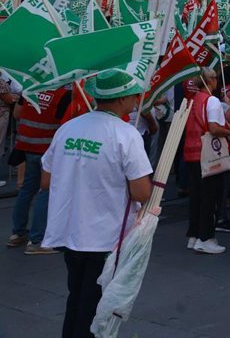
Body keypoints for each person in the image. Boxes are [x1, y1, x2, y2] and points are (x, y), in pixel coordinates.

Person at [40, 70, 152, 338]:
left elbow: (46, 180)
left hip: (69, 231)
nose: (136, 100)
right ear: (122, 99)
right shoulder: (126, 134)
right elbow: (141, 192)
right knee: (96, 304)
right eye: (133, 95)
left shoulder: (69, 128)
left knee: (77, 294)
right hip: (105, 235)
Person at [9, 83, 75, 255]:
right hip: (48, 149)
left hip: (28, 145)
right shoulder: (63, 95)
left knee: (27, 189)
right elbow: (66, 125)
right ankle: (37, 240)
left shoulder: (29, 89)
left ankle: (18, 233)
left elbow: (17, 114)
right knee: (46, 191)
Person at [183, 68, 230, 254]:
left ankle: (194, 235)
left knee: (197, 197)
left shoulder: (192, 100)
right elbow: (213, 128)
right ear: (210, 81)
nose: (217, 81)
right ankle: (206, 238)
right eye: (215, 78)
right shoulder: (211, 100)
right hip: (208, 156)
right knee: (210, 198)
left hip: (192, 153)